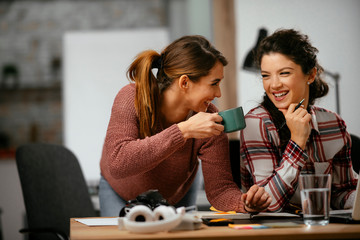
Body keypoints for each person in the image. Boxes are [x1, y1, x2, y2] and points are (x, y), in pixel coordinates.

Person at [99, 35, 271, 216]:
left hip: (175, 195)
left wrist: (243, 203)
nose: (218, 93)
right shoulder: (131, 98)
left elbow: (220, 190)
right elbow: (118, 162)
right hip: (119, 192)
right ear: (185, 82)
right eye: (214, 83)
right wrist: (184, 130)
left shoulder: (209, 119)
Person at [240, 29, 358, 213]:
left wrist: (357, 198)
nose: (274, 84)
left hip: (320, 228)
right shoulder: (256, 123)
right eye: (266, 75)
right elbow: (268, 203)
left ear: (311, 75)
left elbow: (340, 193)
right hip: (270, 231)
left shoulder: (333, 124)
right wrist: (297, 142)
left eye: (284, 73)